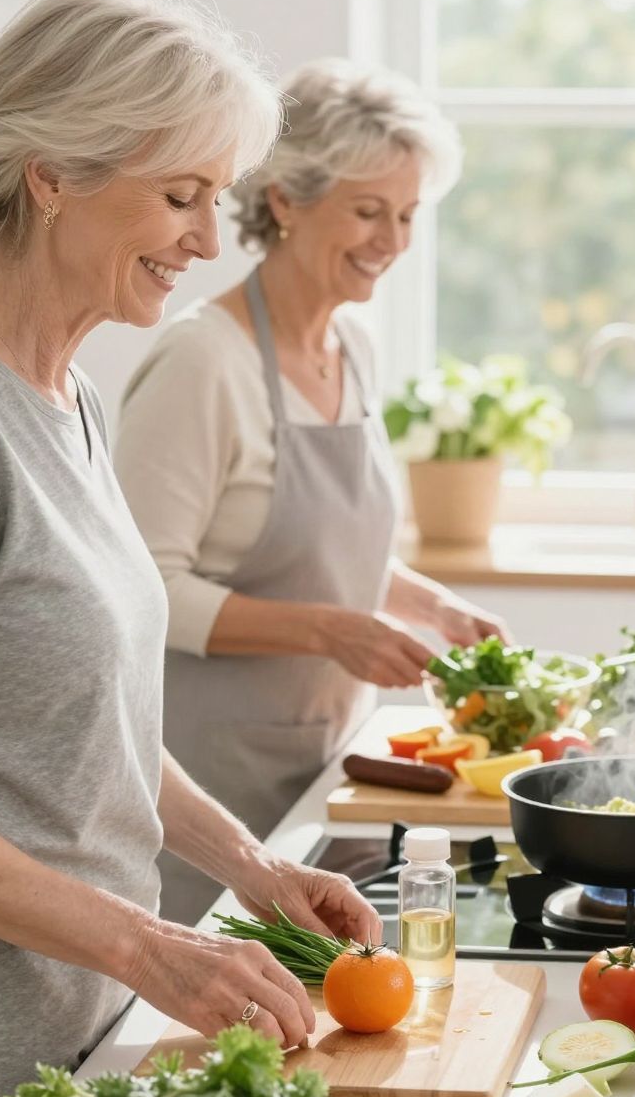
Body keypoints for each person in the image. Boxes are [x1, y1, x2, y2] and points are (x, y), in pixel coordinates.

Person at [0, 0, 380, 1097]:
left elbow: (88, 725)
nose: (211, 239)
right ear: (51, 175)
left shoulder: (77, 404)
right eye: (179, 196)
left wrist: (252, 870)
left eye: (218, 197)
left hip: (82, 1039)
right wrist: (151, 944)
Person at [116, 60, 506, 923]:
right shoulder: (202, 362)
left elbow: (331, 546)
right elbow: (144, 590)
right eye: (368, 211)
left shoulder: (354, 346)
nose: (392, 240)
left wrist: (428, 606)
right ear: (286, 201)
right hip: (206, 786)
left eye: (406, 215)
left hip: (327, 764)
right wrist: (331, 630)